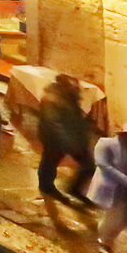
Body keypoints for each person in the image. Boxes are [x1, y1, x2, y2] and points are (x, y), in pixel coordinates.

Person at [37, 73, 97, 205]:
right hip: (55, 140)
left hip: (74, 139)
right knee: (49, 163)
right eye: (74, 87)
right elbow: (53, 123)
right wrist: (67, 142)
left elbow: (76, 116)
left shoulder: (70, 97)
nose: (77, 89)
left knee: (89, 166)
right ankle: (46, 186)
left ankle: (74, 189)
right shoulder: (51, 99)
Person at [95, 127, 127, 253]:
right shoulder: (106, 145)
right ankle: (104, 243)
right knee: (115, 220)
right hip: (118, 193)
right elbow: (105, 166)